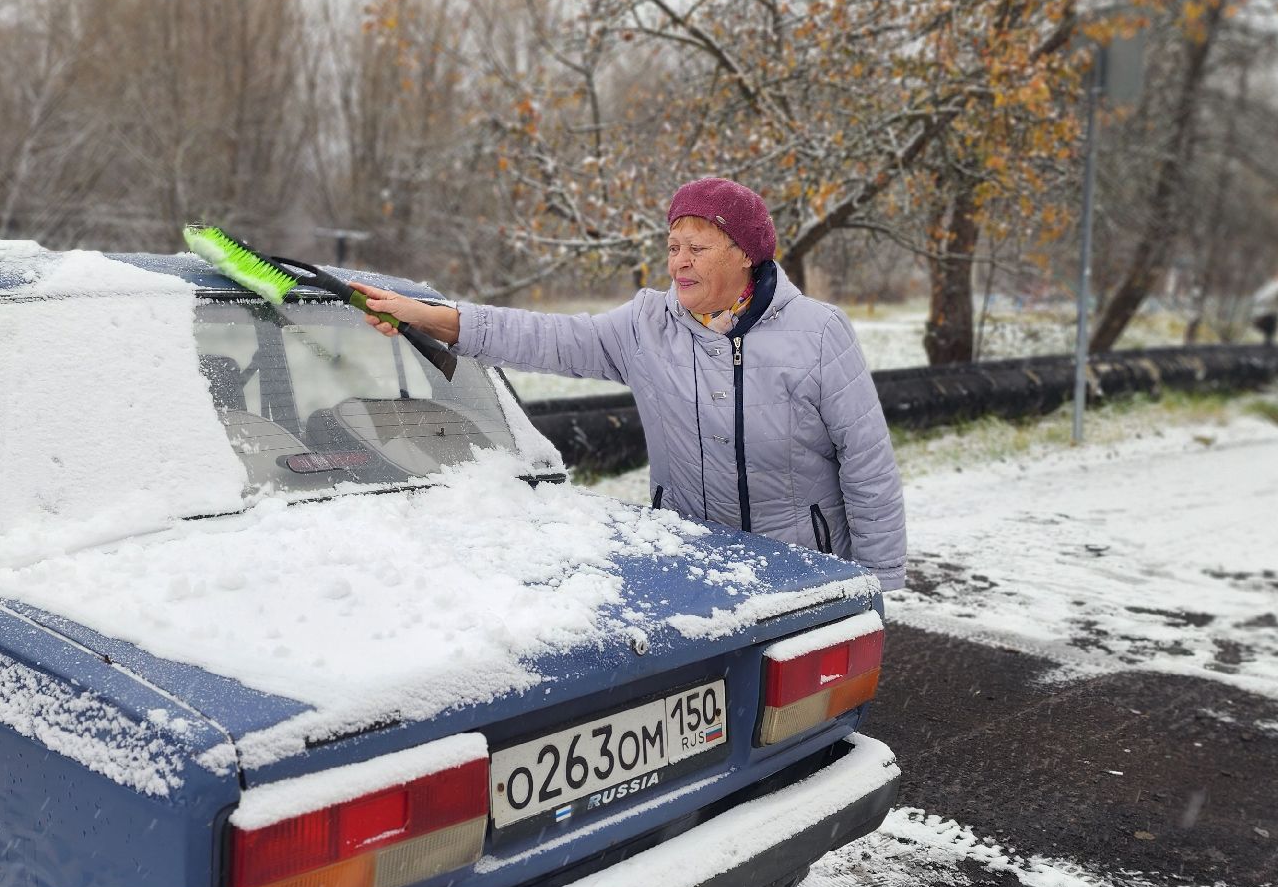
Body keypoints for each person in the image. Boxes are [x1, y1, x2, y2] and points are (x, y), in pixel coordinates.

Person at [352, 177, 907, 591]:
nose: (679, 263)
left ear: (745, 254)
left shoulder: (818, 331)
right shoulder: (646, 326)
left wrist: (877, 578)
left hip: (804, 571)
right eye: (673, 247)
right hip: (695, 565)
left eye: (697, 248)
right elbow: (544, 337)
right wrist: (431, 317)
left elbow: (866, 460)